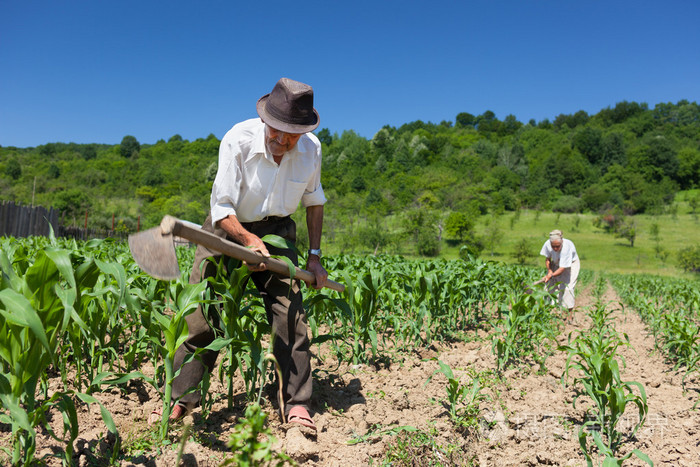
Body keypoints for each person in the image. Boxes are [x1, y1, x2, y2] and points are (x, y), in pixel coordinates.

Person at [162, 78, 328, 431]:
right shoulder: (237, 140)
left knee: (290, 313)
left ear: (303, 129)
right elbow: (221, 207)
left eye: (291, 135)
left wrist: (314, 255)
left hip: (279, 231)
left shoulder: (311, 149)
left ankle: (296, 402)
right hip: (228, 228)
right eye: (277, 131)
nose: (282, 141)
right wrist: (247, 239)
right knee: (204, 317)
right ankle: (181, 399)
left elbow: (314, 203)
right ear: (266, 120)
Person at [539, 229, 580, 312]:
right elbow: (547, 259)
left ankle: (568, 314)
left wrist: (552, 275)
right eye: (553, 246)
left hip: (570, 265)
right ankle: (549, 311)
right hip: (556, 262)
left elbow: (562, 268)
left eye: (557, 246)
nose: (555, 248)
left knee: (567, 288)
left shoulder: (566, 248)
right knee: (549, 286)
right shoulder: (547, 244)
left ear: (561, 242)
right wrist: (550, 270)